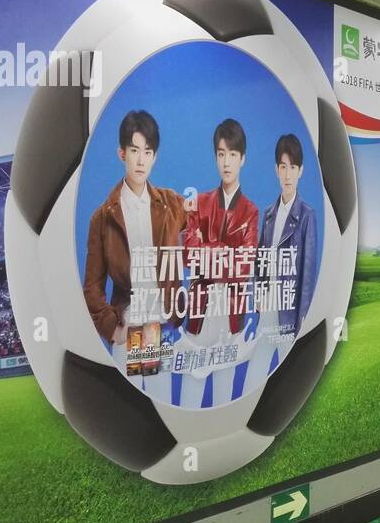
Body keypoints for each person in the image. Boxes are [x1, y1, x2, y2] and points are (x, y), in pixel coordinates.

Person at [82, 110, 186, 402]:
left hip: (158, 324)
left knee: (160, 407)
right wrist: (110, 325)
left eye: (148, 152)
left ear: (155, 157)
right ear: (121, 153)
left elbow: (204, 223)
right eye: (134, 150)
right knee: (127, 409)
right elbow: (91, 286)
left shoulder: (171, 204)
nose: (141, 160)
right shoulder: (102, 218)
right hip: (127, 325)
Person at [178, 118, 259, 407]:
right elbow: (189, 256)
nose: (227, 162)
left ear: (243, 159)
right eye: (221, 154)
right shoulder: (199, 203)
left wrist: (209, 248)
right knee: (191, 390)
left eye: (233, 155)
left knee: (226, 391)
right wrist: (226, 251)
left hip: (231, 319)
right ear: (215, 157)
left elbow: (245, 265)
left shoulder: (250, 211)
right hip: (200, 315)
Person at [246, 133, 319, 381]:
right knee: (254, 375)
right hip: (267, 311)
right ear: (276, 169)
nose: (288, 175)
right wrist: (257, 294)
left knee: (291, 379)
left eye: (293, 167)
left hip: (289, 317)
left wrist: (302, 327)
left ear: (301, 171)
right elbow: (259, 260)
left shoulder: (307, 216)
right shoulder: (268, 214)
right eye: (283, 167)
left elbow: (307, 279)